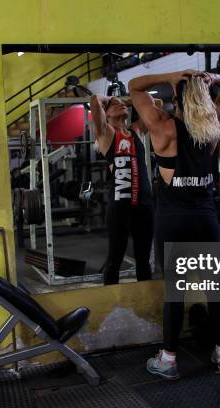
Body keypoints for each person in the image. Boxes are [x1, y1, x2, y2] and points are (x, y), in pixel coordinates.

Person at [129, 69, 220, 379]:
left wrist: (172, 75)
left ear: (174, 96)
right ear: (205, 95)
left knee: (175, 293)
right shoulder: (213, 125)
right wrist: (213, 78)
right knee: (215, 289)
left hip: (173, 221)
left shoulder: (163, 127)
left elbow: (134, 87)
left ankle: (168, 359)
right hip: (205, 219)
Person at [90, 94, 154, 285]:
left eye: (123, 104)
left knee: (144, 261)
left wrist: (124, 101)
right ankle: (112, 309)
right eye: (114, 105)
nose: (121, 105)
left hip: (144, 206)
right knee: (114, 261)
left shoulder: (136, 130)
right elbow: (94, 100)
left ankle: (146, 306)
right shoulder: (106, 133)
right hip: (120, 208)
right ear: (106, 115)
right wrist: (112, 98)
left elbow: (156, 103)